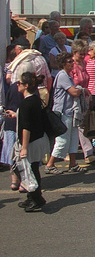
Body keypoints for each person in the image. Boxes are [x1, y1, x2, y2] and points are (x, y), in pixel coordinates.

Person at [44, 52, 88, 174]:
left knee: (74, 138)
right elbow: (74, 92)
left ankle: (73, 163)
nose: (72, 63)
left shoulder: (68, 76)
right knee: (62, 140)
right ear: (63, 64)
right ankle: (50, 164)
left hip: (71, 112)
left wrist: (79, 89)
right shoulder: (62, 75)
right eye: (70, 62)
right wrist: (80, 89)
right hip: (63, 113)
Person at [15, 71, 50, 212]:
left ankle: (36, 198)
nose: (18, 85)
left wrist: (24, 147)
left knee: (31, 170)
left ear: (26, 85)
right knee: (33, 168)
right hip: (39, 138)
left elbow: (26, 127)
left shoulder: (26, 103)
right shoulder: (35, 99)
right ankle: (32, 196)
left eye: (20, 83)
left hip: (32, 141)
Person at [68, 40, 95, 164]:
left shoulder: (84, 63)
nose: (82, 56)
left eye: (83, 54)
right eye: (80, 54)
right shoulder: (71, 65)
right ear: (74, 53)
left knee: (82, 125)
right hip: (73, 99)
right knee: (74, 126)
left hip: (83, 97)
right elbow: (71, 83)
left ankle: (87, 152)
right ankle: (83, 153)